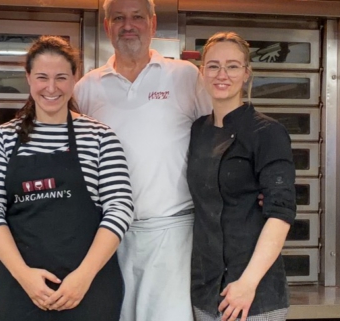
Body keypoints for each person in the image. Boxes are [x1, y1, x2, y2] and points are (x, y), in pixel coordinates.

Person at [0, 36, 133, 321]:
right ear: (28, 78)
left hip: (91, 288)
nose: (51, 88)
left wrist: (83, 277)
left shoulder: (100, 137)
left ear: (75, 78)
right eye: (42, 77)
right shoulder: (2, 139)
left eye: (61, 77)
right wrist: (24, 276)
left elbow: (120, 209)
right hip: (23, 289)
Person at [73, 0, 212, 320]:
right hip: (106, 237)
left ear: (152, 23)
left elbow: (218, 142)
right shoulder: (86, 88)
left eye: (137, 17)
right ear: (107, 27)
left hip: (172, 232)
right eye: (118, 18)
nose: (128, 25)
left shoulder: (186, 77)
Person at [186, 32, 295, 321]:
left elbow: (281, 214)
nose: (222, 74)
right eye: (213, 65)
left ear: (246, 74)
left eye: (232, 66)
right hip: (206, 290)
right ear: (202, 72)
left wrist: (248, 283)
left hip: (252, 295)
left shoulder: (267, 133)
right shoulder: (198, 130)